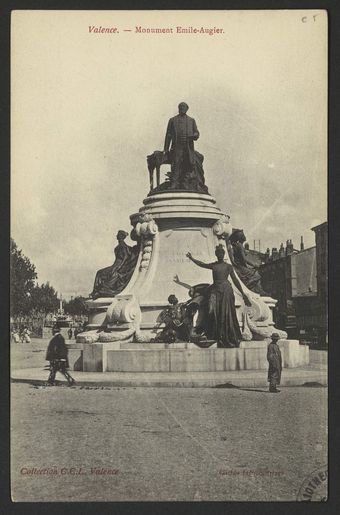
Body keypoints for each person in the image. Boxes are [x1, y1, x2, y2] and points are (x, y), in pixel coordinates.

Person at [186, 245, 251, 347]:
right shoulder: (214, 265)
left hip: (226, 291)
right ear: (216, 255)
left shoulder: (228, 266)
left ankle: (225, 335)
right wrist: (192, 258)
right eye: (218, 254)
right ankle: (215, 333)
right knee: (212, 310)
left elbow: (235, 280)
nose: (220, 255)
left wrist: (243, 294)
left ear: (223, 254)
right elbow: (202, 264)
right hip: (215, 290)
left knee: (226, 313)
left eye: (221, 253)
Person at [164, 102, 207, 191]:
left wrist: (195, 135)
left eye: (184, 107)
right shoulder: (172, 120)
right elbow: (168, 135)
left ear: (187, 109)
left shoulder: (191, 120)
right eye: (181, 107)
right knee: (176, 164)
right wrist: (166, 149)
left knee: (188, 165)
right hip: (177, 147)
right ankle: (174, 184)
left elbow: (196, 132)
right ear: (178, 108)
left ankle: (185, 184)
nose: (182, 108)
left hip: (188, 147)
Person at [90, 230, 139, 299]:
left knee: (99, 273)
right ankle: (97, 291)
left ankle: (98, 291)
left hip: (117, 265)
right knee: (99, 273)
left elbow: (125, 258)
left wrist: (118, 268)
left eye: (118, 235)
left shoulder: (123, 246)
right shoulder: (121, 246)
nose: (116, 236)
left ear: (121, 237)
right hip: (115, 265)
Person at [228, 229, 267, 295]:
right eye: (243, 235)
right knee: (257, 275)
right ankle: (250, 288)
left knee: (255, 276)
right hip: (240, 267)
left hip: (239, 266)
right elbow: (244, 259)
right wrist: (254, 264)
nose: (244, 236)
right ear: (240, 237)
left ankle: (257, 290)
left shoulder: (236, 246)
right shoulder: (240, 246)